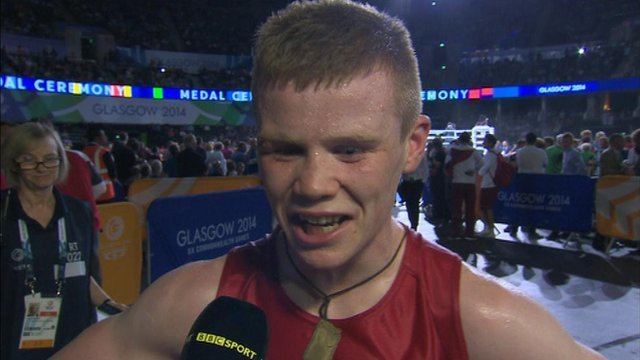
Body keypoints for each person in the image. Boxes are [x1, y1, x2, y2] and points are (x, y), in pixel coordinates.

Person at [55, 1, 602, 359]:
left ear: (412, 147)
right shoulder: (193, 303)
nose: (314, 183)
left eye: (350, 150)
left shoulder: (486, 326)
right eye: (286, 150)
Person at [1, 123, 127, 360]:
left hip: (73, 339)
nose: (42, 168)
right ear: (14, 163)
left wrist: (110, 304)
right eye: (29, 160)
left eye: (50, 159)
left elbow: (82, 273)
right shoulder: (4, 212)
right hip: (13, 340)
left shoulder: (79, 213)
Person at [445, 132, 483, 238]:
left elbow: (447, 164)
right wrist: (473, 170)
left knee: (456, 208)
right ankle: (469, 233)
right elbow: (482, 164)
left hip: (456, 182)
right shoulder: (473, 151)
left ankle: (456, 232)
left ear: (459, 140)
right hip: (470, 183)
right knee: (470, 208)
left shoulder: (452, 151)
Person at [82, 127, 117, 203]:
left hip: (88, 193)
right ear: (98, 138)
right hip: (106, 193)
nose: (106, 138)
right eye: (104, 135)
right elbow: (113, 174)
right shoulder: (104, 152)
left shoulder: (81, 153)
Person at [398, 147, 428, 230]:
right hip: (407, 181)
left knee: (413, 203)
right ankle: (413, 222)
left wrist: (423, 180)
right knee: (410, 203)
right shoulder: (404, 154)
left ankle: (414, 223)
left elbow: (425, 168)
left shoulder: (420, 155)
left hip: (416, 181)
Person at [477, 134, 499, 238]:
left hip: (488, 184)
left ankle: (490, 228)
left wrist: (476, 173)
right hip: (488, 184)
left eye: (485, 141)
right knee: (485, 207)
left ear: (490, 142)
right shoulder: (493, 154)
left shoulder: (490, 155)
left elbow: (484, 169)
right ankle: (488, 228)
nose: (483, 143)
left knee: (487, 207)